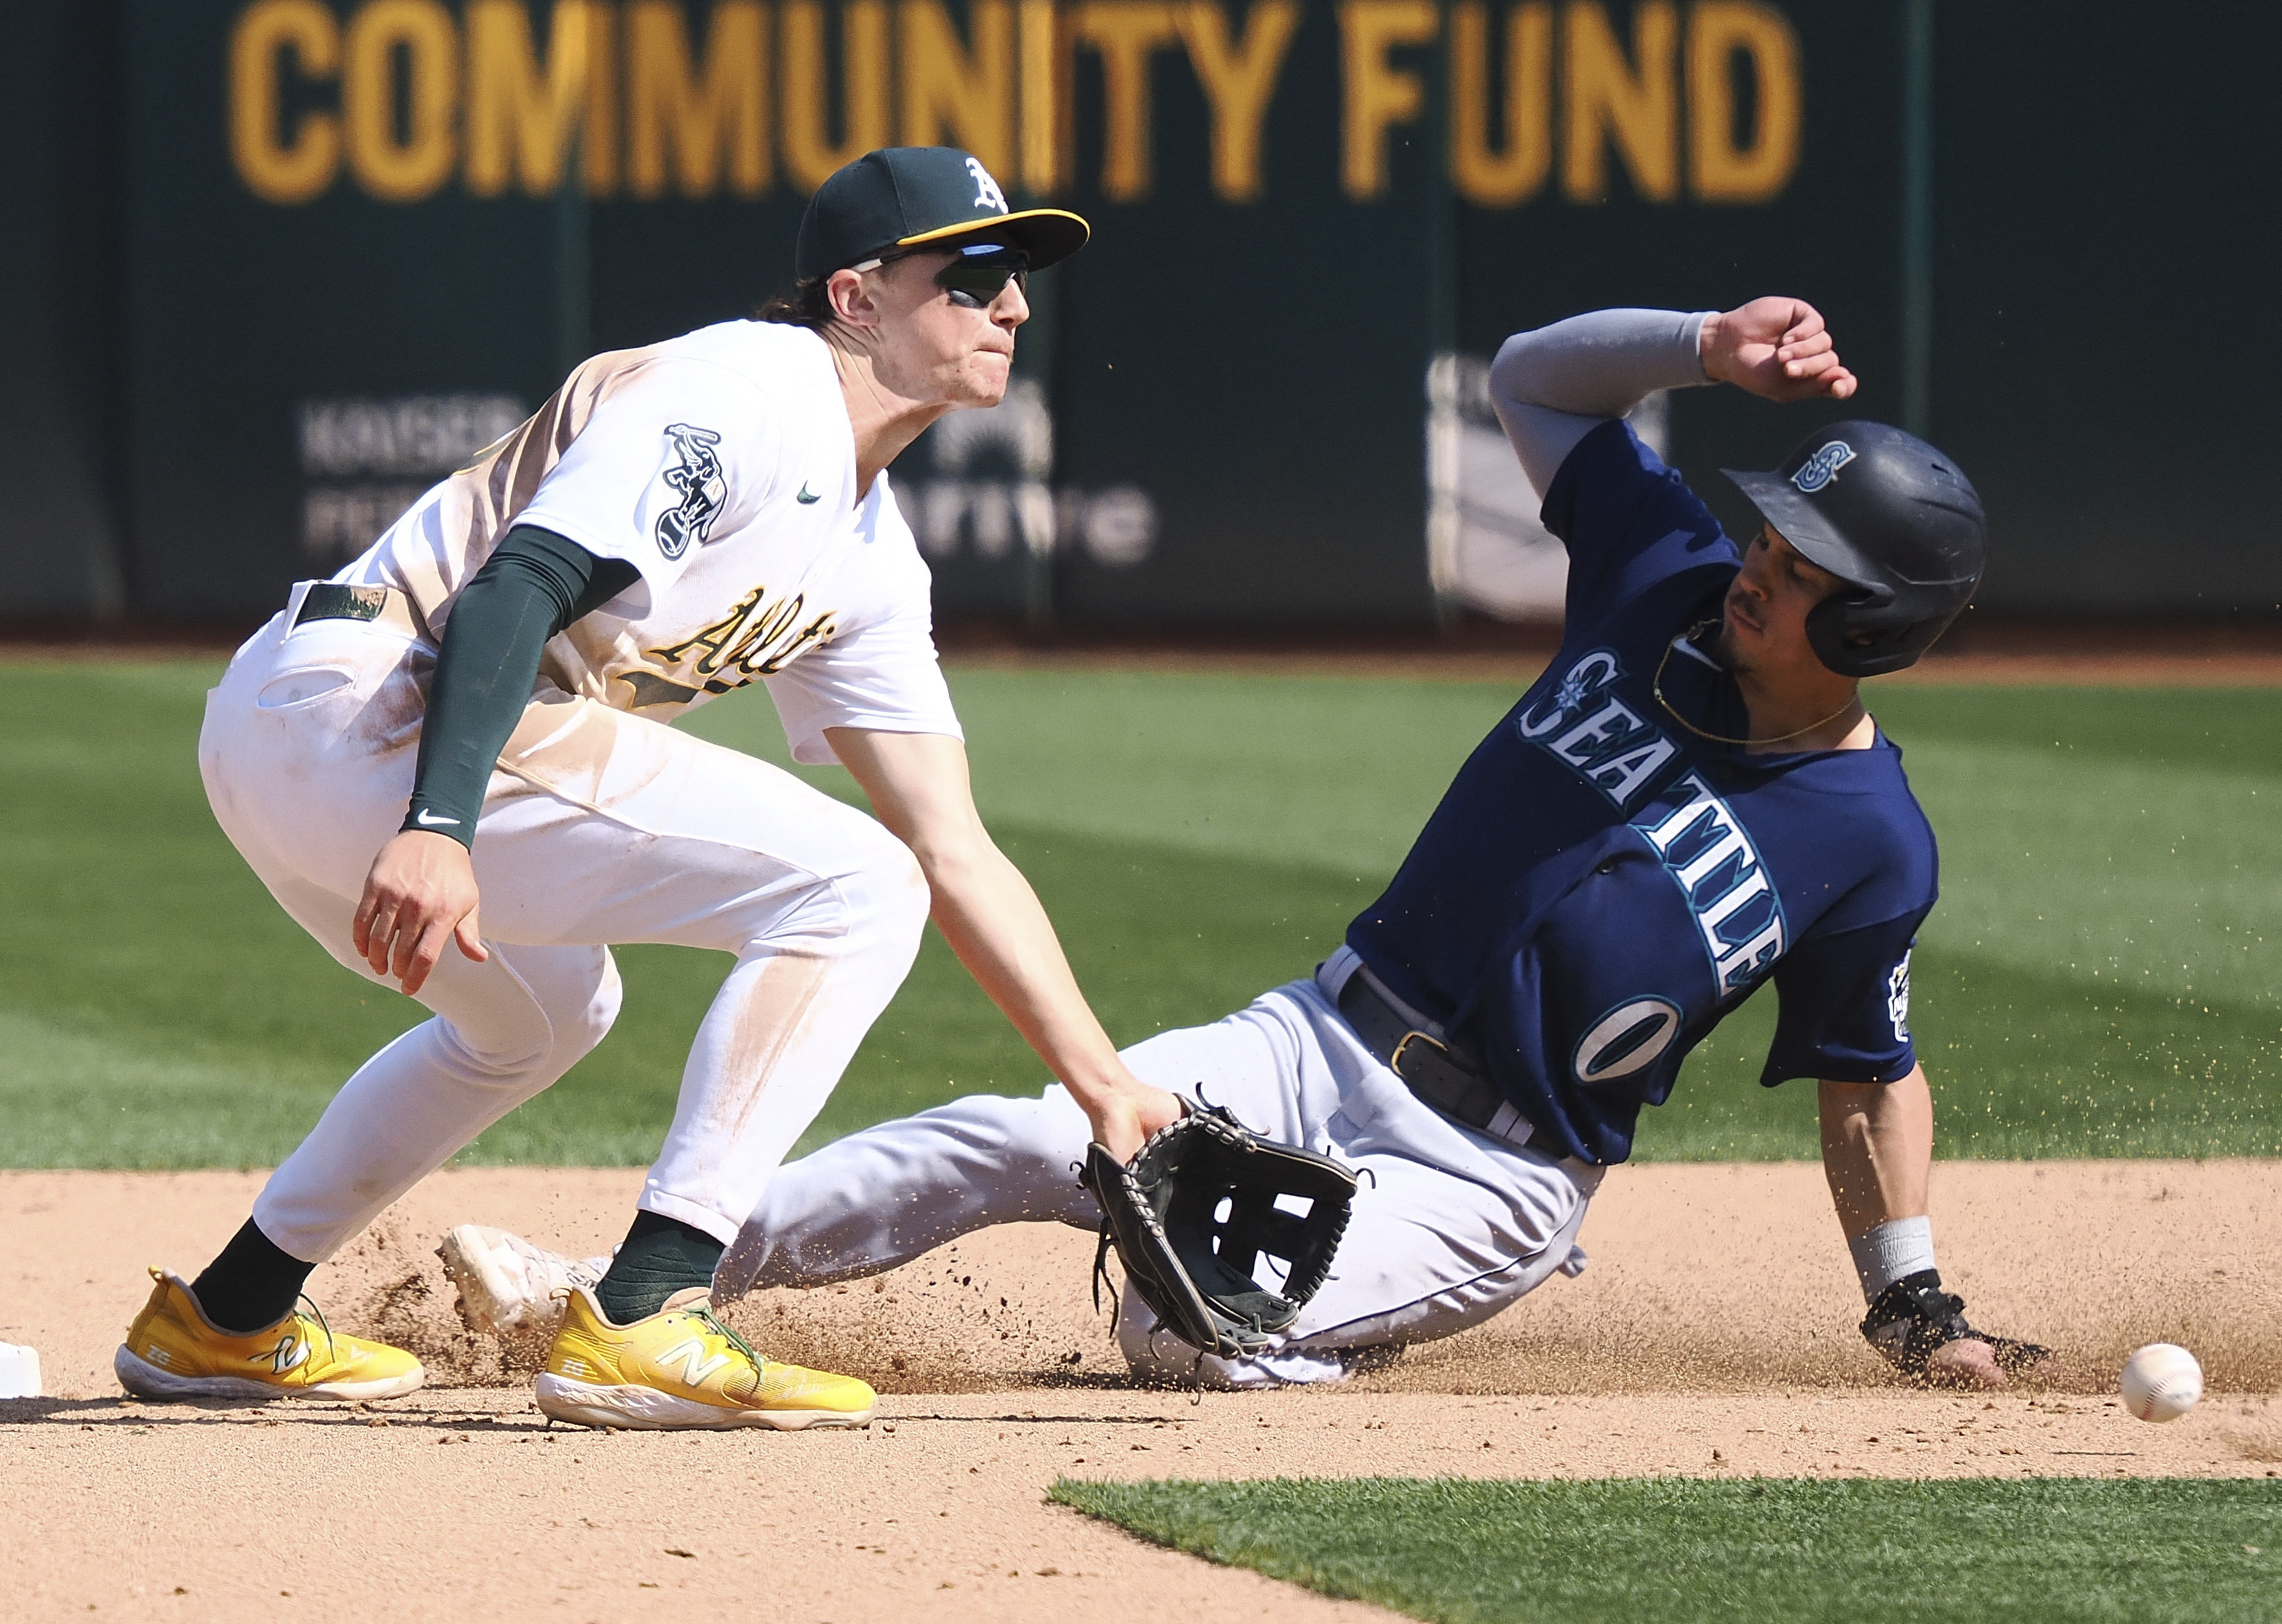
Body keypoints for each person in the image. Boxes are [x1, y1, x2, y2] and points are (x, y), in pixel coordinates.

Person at [447, 297, 2050, 1391]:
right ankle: (631, 1286)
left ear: (1885, 625)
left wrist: (1907, 1296)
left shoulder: (1869, 840)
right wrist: (1701, 344)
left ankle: (1266, 1320)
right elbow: (1534, 377)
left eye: (1808, 562)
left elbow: (1867, 1065)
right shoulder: (1662, 579)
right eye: (1771, 530)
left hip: (1491, 1170)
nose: (1762, 563)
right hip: (1314, 1031)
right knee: (1020, 1129)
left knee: (1190, 1330)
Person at [114, 146, 1184, 1428]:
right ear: (856, 299)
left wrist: (1106, 1087)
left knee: (546, 1014)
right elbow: (519, 583)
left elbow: (955, 843)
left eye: (1019, 278)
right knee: (852, 888)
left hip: (314, 735)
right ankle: (647, 1311)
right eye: (976, 273)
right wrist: (439, 823)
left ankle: (224, 1316)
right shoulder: (751, 389)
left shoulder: (872, 560)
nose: (1014, 304)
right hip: (375, 698)